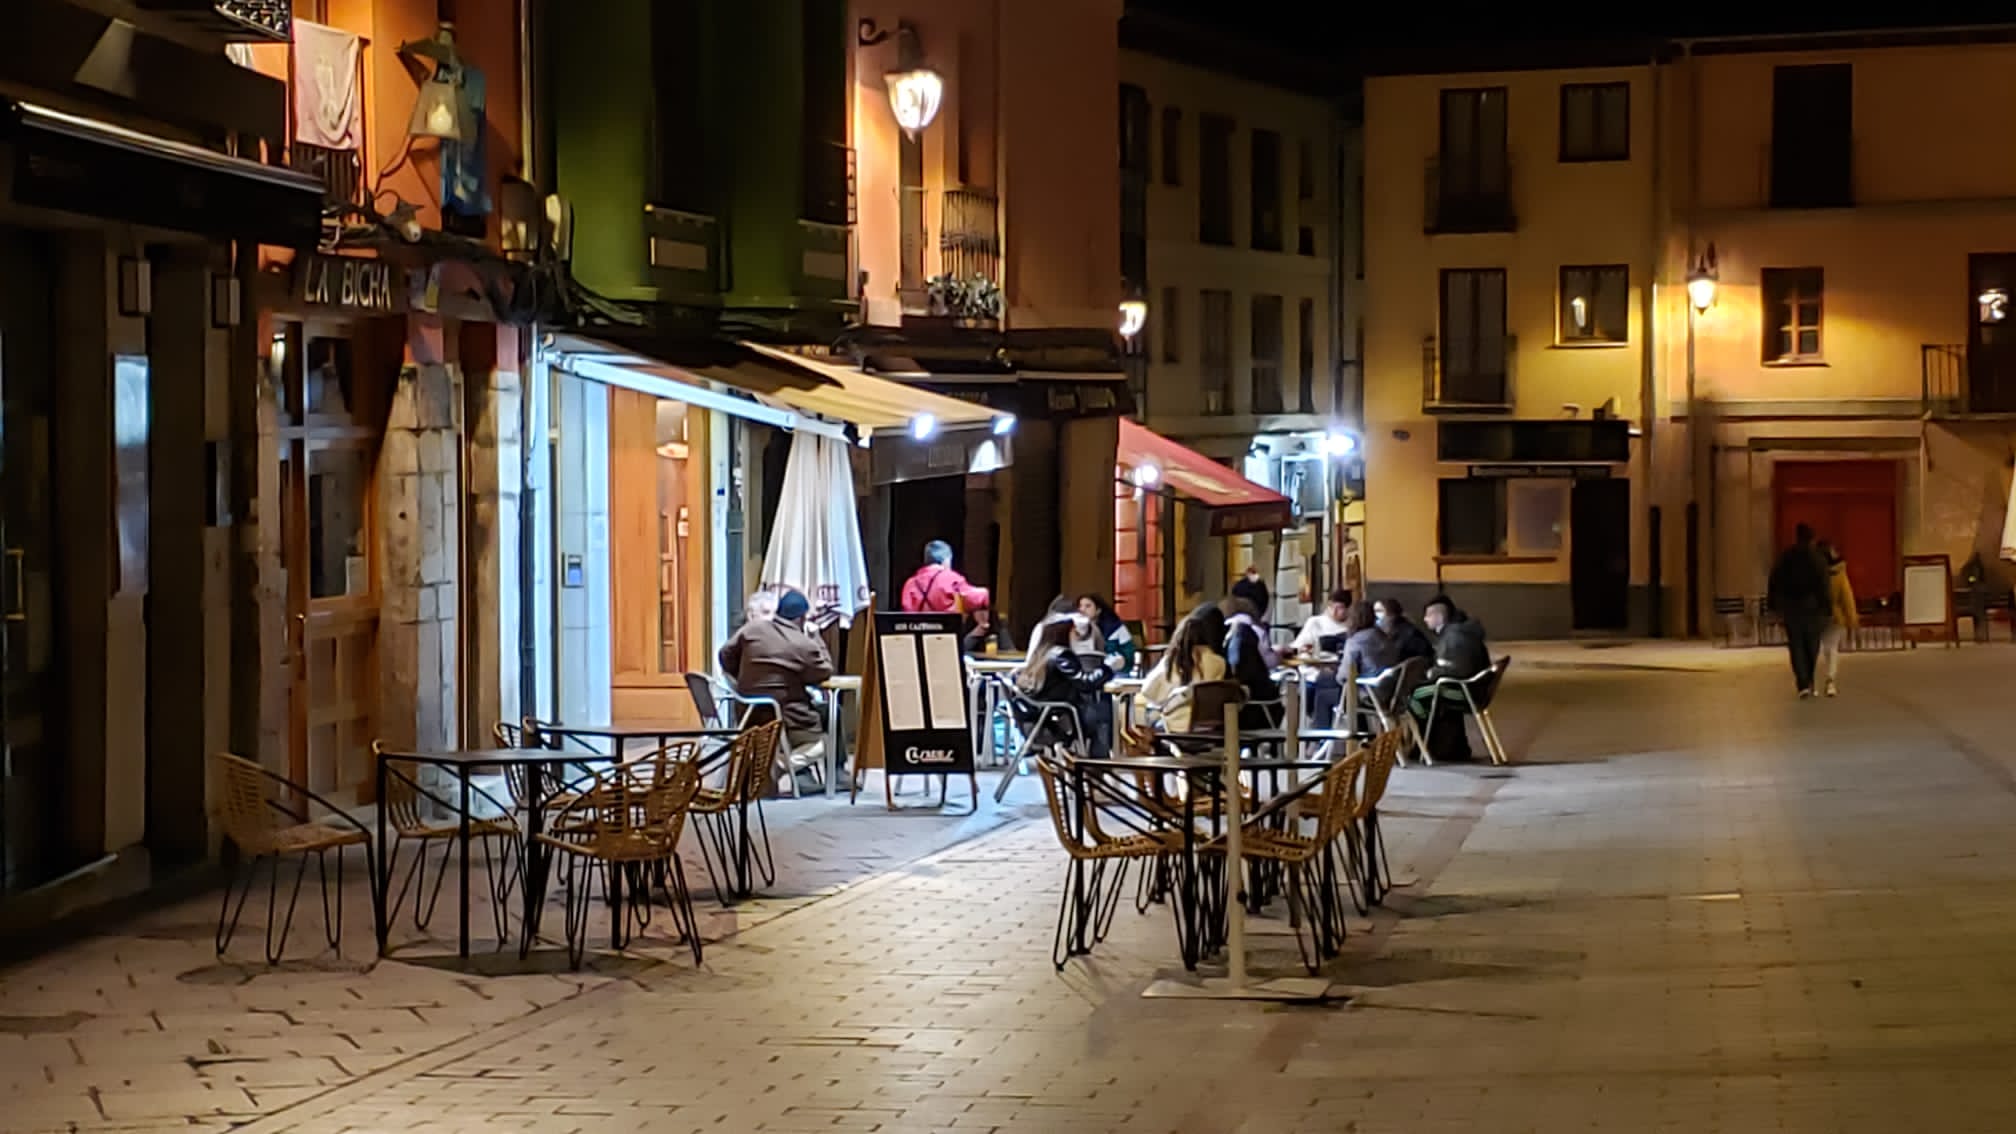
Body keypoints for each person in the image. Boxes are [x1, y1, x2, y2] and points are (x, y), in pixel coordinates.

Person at [718, 588, 834, 789]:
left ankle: (774, 768)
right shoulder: (803, 644)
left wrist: (742, 678)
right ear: (802, 618)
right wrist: (816, 637)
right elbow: (824, 672)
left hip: (748, 711)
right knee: (825, 742)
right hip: (788, 715)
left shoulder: (751, 630)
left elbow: (725, 654)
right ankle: (779, 766)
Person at [1011, 616, 1114, 759]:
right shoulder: (1061, 656)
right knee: (1102, 712)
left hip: (1037, 719)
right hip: (1061, 720)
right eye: (1074, 632)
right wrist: (1108, 668)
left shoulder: (1041, 654)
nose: (1076, 636)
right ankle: (1098, 765)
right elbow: (1086, 683)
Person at [1409, 594, 1491, 761]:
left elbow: (1455, 670)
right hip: (1473, 688)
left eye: (1428, 615)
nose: (1425, 620)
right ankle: (1437, 744)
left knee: (1415, 698)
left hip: (1464, 691)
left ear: (1439, 617)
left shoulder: (1454, 637)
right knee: (1422, 694)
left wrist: (1431, 673)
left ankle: (1427, 744)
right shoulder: (1461, 631)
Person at [1768, 523, 1831, 698]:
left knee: (1796, 645)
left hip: (1791, 607)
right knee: (1812, 644)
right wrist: (1827, 608)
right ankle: (1809, 678)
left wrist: (1773, 605)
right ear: (1812, 538)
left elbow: (1774, 581)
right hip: (1812, 608)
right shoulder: (1818, 559)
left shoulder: (1785, 558)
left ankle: (1802, 683)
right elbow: (1824, 585)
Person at [1139, 612, 1230, 732]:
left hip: (1176, 727)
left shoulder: (1172, 663)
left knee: (1142, 715)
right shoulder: (1219, 662)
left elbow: (1147, 690)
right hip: (1210, 729)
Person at [1219, 596, 1280, 727]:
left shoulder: (1223, 631)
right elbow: (1268, 662)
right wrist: (1278, 655)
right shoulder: (1255, 630)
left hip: (1232, 704)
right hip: (1258, 703)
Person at [899, 540, 989, 615]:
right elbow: (973, 599)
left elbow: (907, 610)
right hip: (947, 632)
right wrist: (986, 592)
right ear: (946, 560)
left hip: (919, 633)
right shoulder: (951, 578)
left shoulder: (911, 583)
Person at [1817, 541, 1858, 698]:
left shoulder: (1814, 575)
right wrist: (1852, 619)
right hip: (1835, 617)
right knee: (1831, 649)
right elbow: (1847, 598)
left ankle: (1810, 682)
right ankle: (1830, 680)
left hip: (1816, 616)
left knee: (1815, 649)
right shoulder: (1839, 575)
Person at [1078, 594, 1137, 673]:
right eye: (1080, 606)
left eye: (1087, 606)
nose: (1082, 609)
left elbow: (1129, 654)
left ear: (1098, 610)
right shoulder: (1075, 629)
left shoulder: (1116, 628)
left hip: (1115, 672)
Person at [1375, 597, 1435, 664]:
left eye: (1379, 611)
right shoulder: (1384, 632)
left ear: (1391, 613)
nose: (1375, 615)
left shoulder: (1409, 633)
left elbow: (1426, 656)